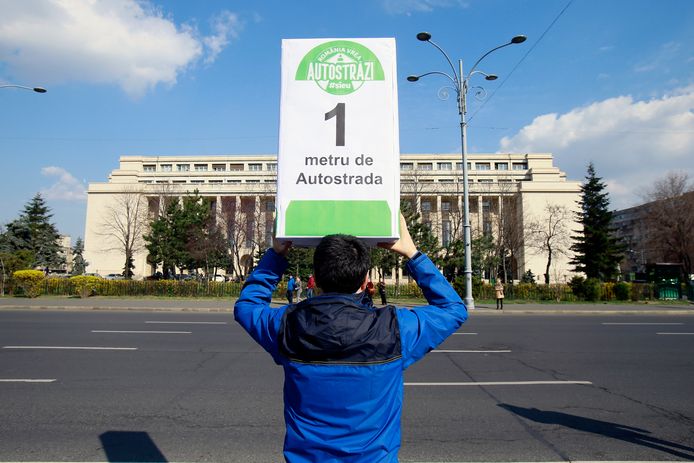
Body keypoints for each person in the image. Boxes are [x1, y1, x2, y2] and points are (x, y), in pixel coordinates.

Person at [234, 213, 467, 462]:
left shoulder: (288, 324)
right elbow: (453, 309)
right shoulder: (394, 328)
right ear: (366, 279)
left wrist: (275, 256)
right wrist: (412, 253)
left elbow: (246, 307)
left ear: (317, 278)